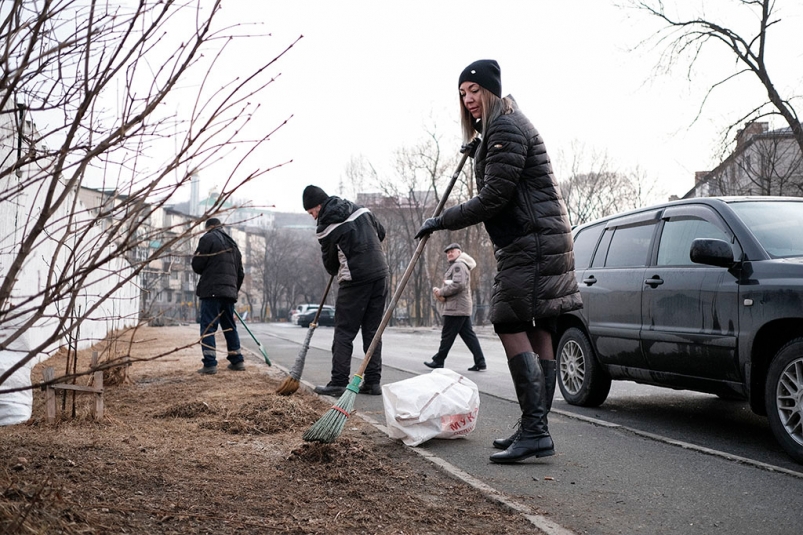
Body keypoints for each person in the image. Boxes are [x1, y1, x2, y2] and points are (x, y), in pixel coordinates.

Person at [414, 59, 582, 464]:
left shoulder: (506, 127)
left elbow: (494, 198)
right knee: (535, 322)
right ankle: (533, 428)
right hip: (538, 239)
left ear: (490, 91)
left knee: (508, 320)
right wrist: (481, 148)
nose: (468, 100)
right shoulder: (502, 127)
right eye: (462, 94)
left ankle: (536, 430)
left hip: (532, 242)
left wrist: (442, 220)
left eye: (474, 91)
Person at [302, 185, 389, 397]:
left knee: (344, 332)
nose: (314, 217)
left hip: (355, 280)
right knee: (372, 332)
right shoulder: (361, 209)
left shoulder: (326, 228)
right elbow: (382, 233)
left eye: (312, 212)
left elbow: (331, 267)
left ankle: (339, 382)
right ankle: (373, 382)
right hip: (380, 274)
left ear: (319, 206)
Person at [191, 217, 246, 375]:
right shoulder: (234, 245)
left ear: (209, 227)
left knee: (208, 327)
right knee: (229, 326)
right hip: (229, 293)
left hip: (211, 290)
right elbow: (240, 273)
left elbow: (197, 265)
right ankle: (237, 360)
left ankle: (210, 364)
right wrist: (232, 291)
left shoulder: (208, 238)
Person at [424, 243, 487, 372]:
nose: (449, 254)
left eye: (452, 251)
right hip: (461, 307)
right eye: (448, 253)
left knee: (447, 335)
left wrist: (441, 292)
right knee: (469, 336)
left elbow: (459, 285)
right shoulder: (459, 266)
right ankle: (480, 362)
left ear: (459, 253)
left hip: (456, 308)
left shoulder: (458, 266)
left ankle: (438, 360)